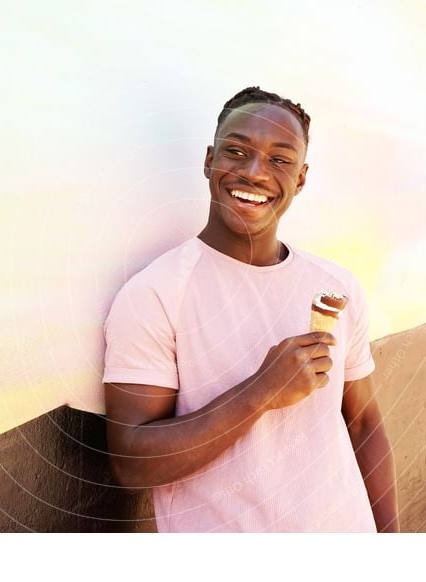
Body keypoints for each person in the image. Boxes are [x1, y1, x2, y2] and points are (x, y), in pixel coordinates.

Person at [102, 86, 399, 532]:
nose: (255, 172)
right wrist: (261, 390)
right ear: (209, 161)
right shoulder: (156, 294)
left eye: (280, 159)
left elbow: (363, 425)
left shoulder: (336, 288)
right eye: (237, 151)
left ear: (300, 178)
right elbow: (132, 464)